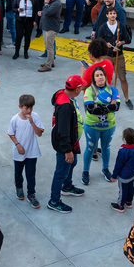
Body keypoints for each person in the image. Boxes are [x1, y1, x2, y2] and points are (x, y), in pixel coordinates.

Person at [49, 75, 85, 213]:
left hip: (71, 142)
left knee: (73, 162)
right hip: (65, 145)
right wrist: (67, 150)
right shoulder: (65, 106)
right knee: (61, 172)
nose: (82, 89)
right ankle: (54, 201)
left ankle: (67, 186)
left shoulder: (64, 95)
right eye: (81, 87)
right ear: (77, 89)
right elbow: (63, 131)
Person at [81, 65, 120, 186]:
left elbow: (117, 107)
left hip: (109, 126)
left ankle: (105, 169)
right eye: (97, 75)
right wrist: (109, 107)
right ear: (94, 78)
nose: (100, 77)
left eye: (101, 75)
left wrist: (99, 106)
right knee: (90, 148)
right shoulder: (89, 90)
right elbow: (91, 109)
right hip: (92, 126)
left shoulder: (113, 90)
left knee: (106, 148)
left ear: (105, 76)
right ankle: (86, 171)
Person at [7, 94, 44, 209]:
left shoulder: (35, 117)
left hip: (32, 152)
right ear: (20, 107)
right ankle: (18, 187)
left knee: (31, 173)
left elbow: (39, 133)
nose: (29, 110)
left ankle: (31, 194)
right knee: (18, 172)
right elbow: (11, 134)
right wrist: (18, 145)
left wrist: (32, 122)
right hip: (19, 152)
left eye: (31, 108)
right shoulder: (15, 119)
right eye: (26, 108)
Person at [110, 127, 134, 212]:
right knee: (131, 187)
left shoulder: (123, 151)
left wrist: (114, 176)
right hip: (132, 174)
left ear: (125, 139)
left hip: (124, 176)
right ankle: (129, 201)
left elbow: (118, 165)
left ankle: (120, 205)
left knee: (123, 190)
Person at [37, 0, 62, 73]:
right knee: (49, 46)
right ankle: (50, 62)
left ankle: (48, 65)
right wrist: (42, 12)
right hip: (48, 27)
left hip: (51, 28)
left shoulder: (55, 3)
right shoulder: (54, 2)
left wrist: (46, 4)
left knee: (49, 47)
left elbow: (47, 13)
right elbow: (47, 13)